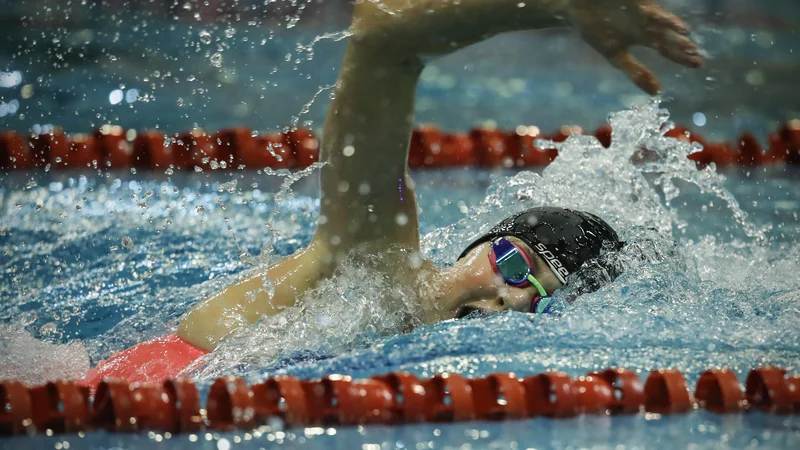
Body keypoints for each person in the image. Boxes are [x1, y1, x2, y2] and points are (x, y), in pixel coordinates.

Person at [81, 0, 702, 385]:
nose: (509, 302)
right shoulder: (373, 263)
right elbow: (381, 36)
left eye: (539, 302)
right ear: (479, 245)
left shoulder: (410, 358)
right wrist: (552, 6)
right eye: (514, 265)